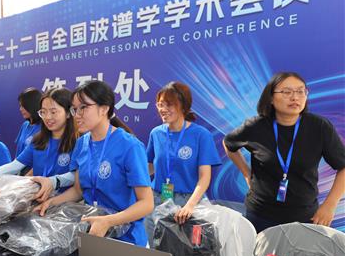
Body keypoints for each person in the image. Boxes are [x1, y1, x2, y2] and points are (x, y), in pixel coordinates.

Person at [223, 71, 345, 233]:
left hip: (305, 216)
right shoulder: (256, 126)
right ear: (271, 98)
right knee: (261, 250)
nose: (295, 97)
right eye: (287, 92)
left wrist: (330, 205)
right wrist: (247, 174)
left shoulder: (319, 127)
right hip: (260, 214)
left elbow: (343, 167)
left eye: (300, 91)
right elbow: (229, 144)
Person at [35, 80, 154, 246]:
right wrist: (50, 203)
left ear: (104, 109)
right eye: (74, 109)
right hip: (93, 232)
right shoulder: (81, 143)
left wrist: (108, 221)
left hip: (128, 240)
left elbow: (146, 203)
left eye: (83, 107)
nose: (77, 115)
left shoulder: (129, 146)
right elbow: (78, 190)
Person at [144, 82, 221, 244]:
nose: (163, 109)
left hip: (188, 203)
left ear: (183, 106)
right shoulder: (156, 133)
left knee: (186, 253)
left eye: (169, 104)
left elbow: (204, 177)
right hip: (158, 200)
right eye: (160, 104)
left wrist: (190, 206)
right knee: (155, 250)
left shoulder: (201, 135)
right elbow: (150, 167)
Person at [0, 88, 79, 201]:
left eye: (53, 112)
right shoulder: (37, 140)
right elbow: (16, 165)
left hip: (65, 203)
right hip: (38, 200)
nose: (48, 117)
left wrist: (53, 181)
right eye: (43, 112)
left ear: (68, 113)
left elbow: (77, 176)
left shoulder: (79, 142)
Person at [15, 87, 43, 157]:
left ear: (32, 105)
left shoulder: (44, 127)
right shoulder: (25, 125)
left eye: (23, 106)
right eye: (20, 106)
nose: (20, 109)